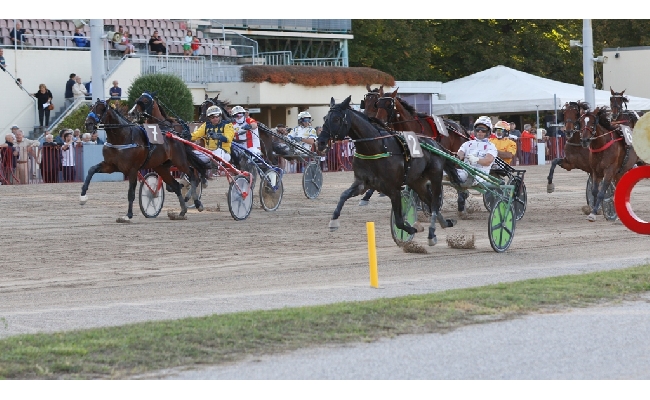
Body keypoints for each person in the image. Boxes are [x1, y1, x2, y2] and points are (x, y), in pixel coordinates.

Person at [456, 116, 498, 216]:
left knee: (472, 177)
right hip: (466, 171)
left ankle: (467, 183)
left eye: (483, 130)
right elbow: (459, 155)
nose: (480, 132)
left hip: (481, 174)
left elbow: (488, 161)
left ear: (488, 132)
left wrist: (477, 160)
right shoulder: (467, 144)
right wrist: (456, 157)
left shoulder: (491, 146)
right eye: (478, 129)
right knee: (454, 173)